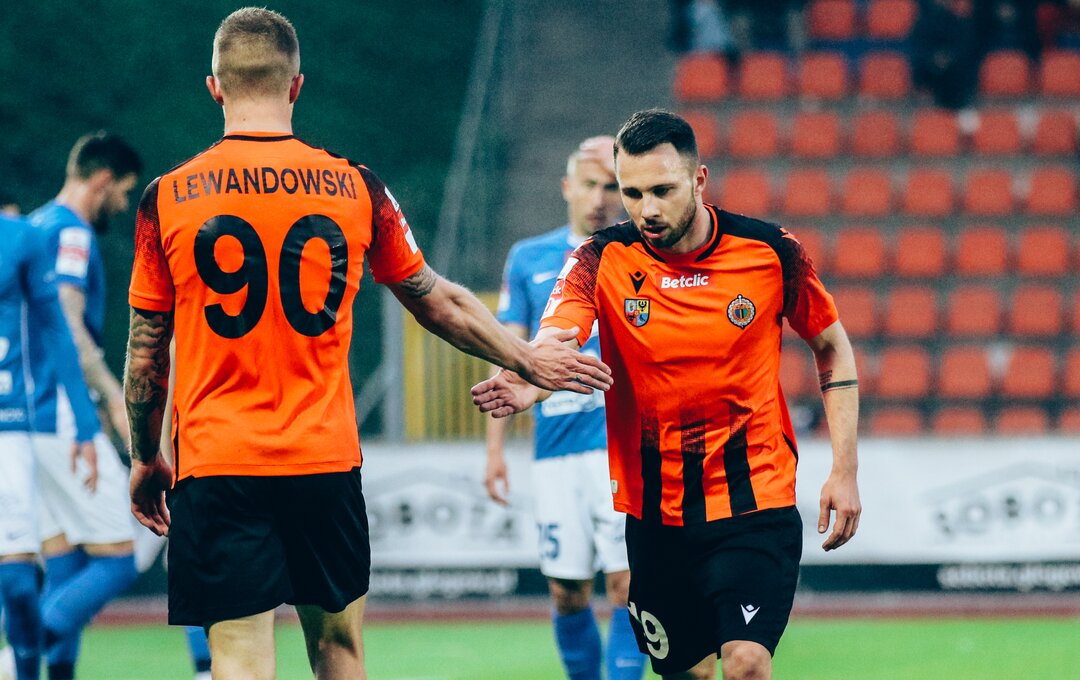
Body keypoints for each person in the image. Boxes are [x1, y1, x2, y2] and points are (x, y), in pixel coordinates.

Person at [122, 8, 610, 680]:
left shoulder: (167, 197)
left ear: (215, 88)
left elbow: (146, 352)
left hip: (218, 463)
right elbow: (436, 298)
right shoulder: (355, 186)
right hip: (322, 460)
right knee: (339, 650)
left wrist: (145, 456)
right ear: (297, 86)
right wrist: (527, 358)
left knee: (238, 657)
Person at [473, 109, 861, 680]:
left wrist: (844, 469)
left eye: (662, 191)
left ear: (699, 180)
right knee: (689, 672)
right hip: (656, 512)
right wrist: (531, 373)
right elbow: (558, 333)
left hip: (755, 499)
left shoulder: (769, 251)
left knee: (747, 662)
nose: (646, 209)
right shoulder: (599, 258)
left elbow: (832, 347)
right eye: (632, 193)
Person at [485, 136, 645, 680]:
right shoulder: (529, 257)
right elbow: (507, 356)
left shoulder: (637, 252)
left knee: (627, 583)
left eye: (610, 187)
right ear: (567, 187)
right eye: (590, 185)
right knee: (567, 591)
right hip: (554, 451)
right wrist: (495, 452)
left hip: (619, 446)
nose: (600, 198)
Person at [27, 131, 144, 680]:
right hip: (61, 415)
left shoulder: (32, 227)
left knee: (67, 564)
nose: (122, 204)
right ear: (102, 180)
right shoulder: (72, 233)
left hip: (23, 417)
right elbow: (70, 326)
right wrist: (114, 398)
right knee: (120, 559)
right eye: (123, 191)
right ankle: (15, 656)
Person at [0, 212, 100, 680]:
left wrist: (85, 424)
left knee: (19, 584)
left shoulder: (23, 237)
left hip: (10, 426)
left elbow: (57, 328)